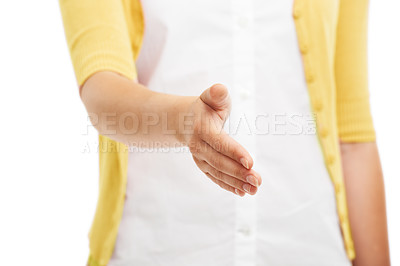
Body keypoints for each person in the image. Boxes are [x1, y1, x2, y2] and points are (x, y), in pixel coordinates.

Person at [59, 0, 390, 265]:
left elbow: (353, 136)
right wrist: (184, 122)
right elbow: (101, 92)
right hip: (156, 247)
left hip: (310, 246)